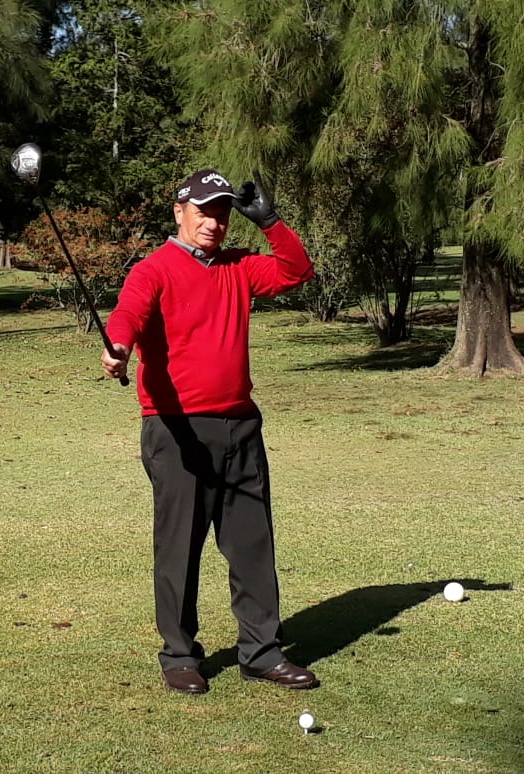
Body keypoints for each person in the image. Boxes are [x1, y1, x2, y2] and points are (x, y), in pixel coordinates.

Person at [101, 167, 318, 695]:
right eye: (203, 213)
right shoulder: (154, 269)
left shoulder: (238, 266)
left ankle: (262, 653)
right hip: (176, 430)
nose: (213, 224)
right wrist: (119, 348)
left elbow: (296, 271)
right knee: (180, 548)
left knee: (252, 546)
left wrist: (270, 222)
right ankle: (179, 655)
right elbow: (129, 313)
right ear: (180, 212)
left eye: (221, 215)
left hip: (240, 425)